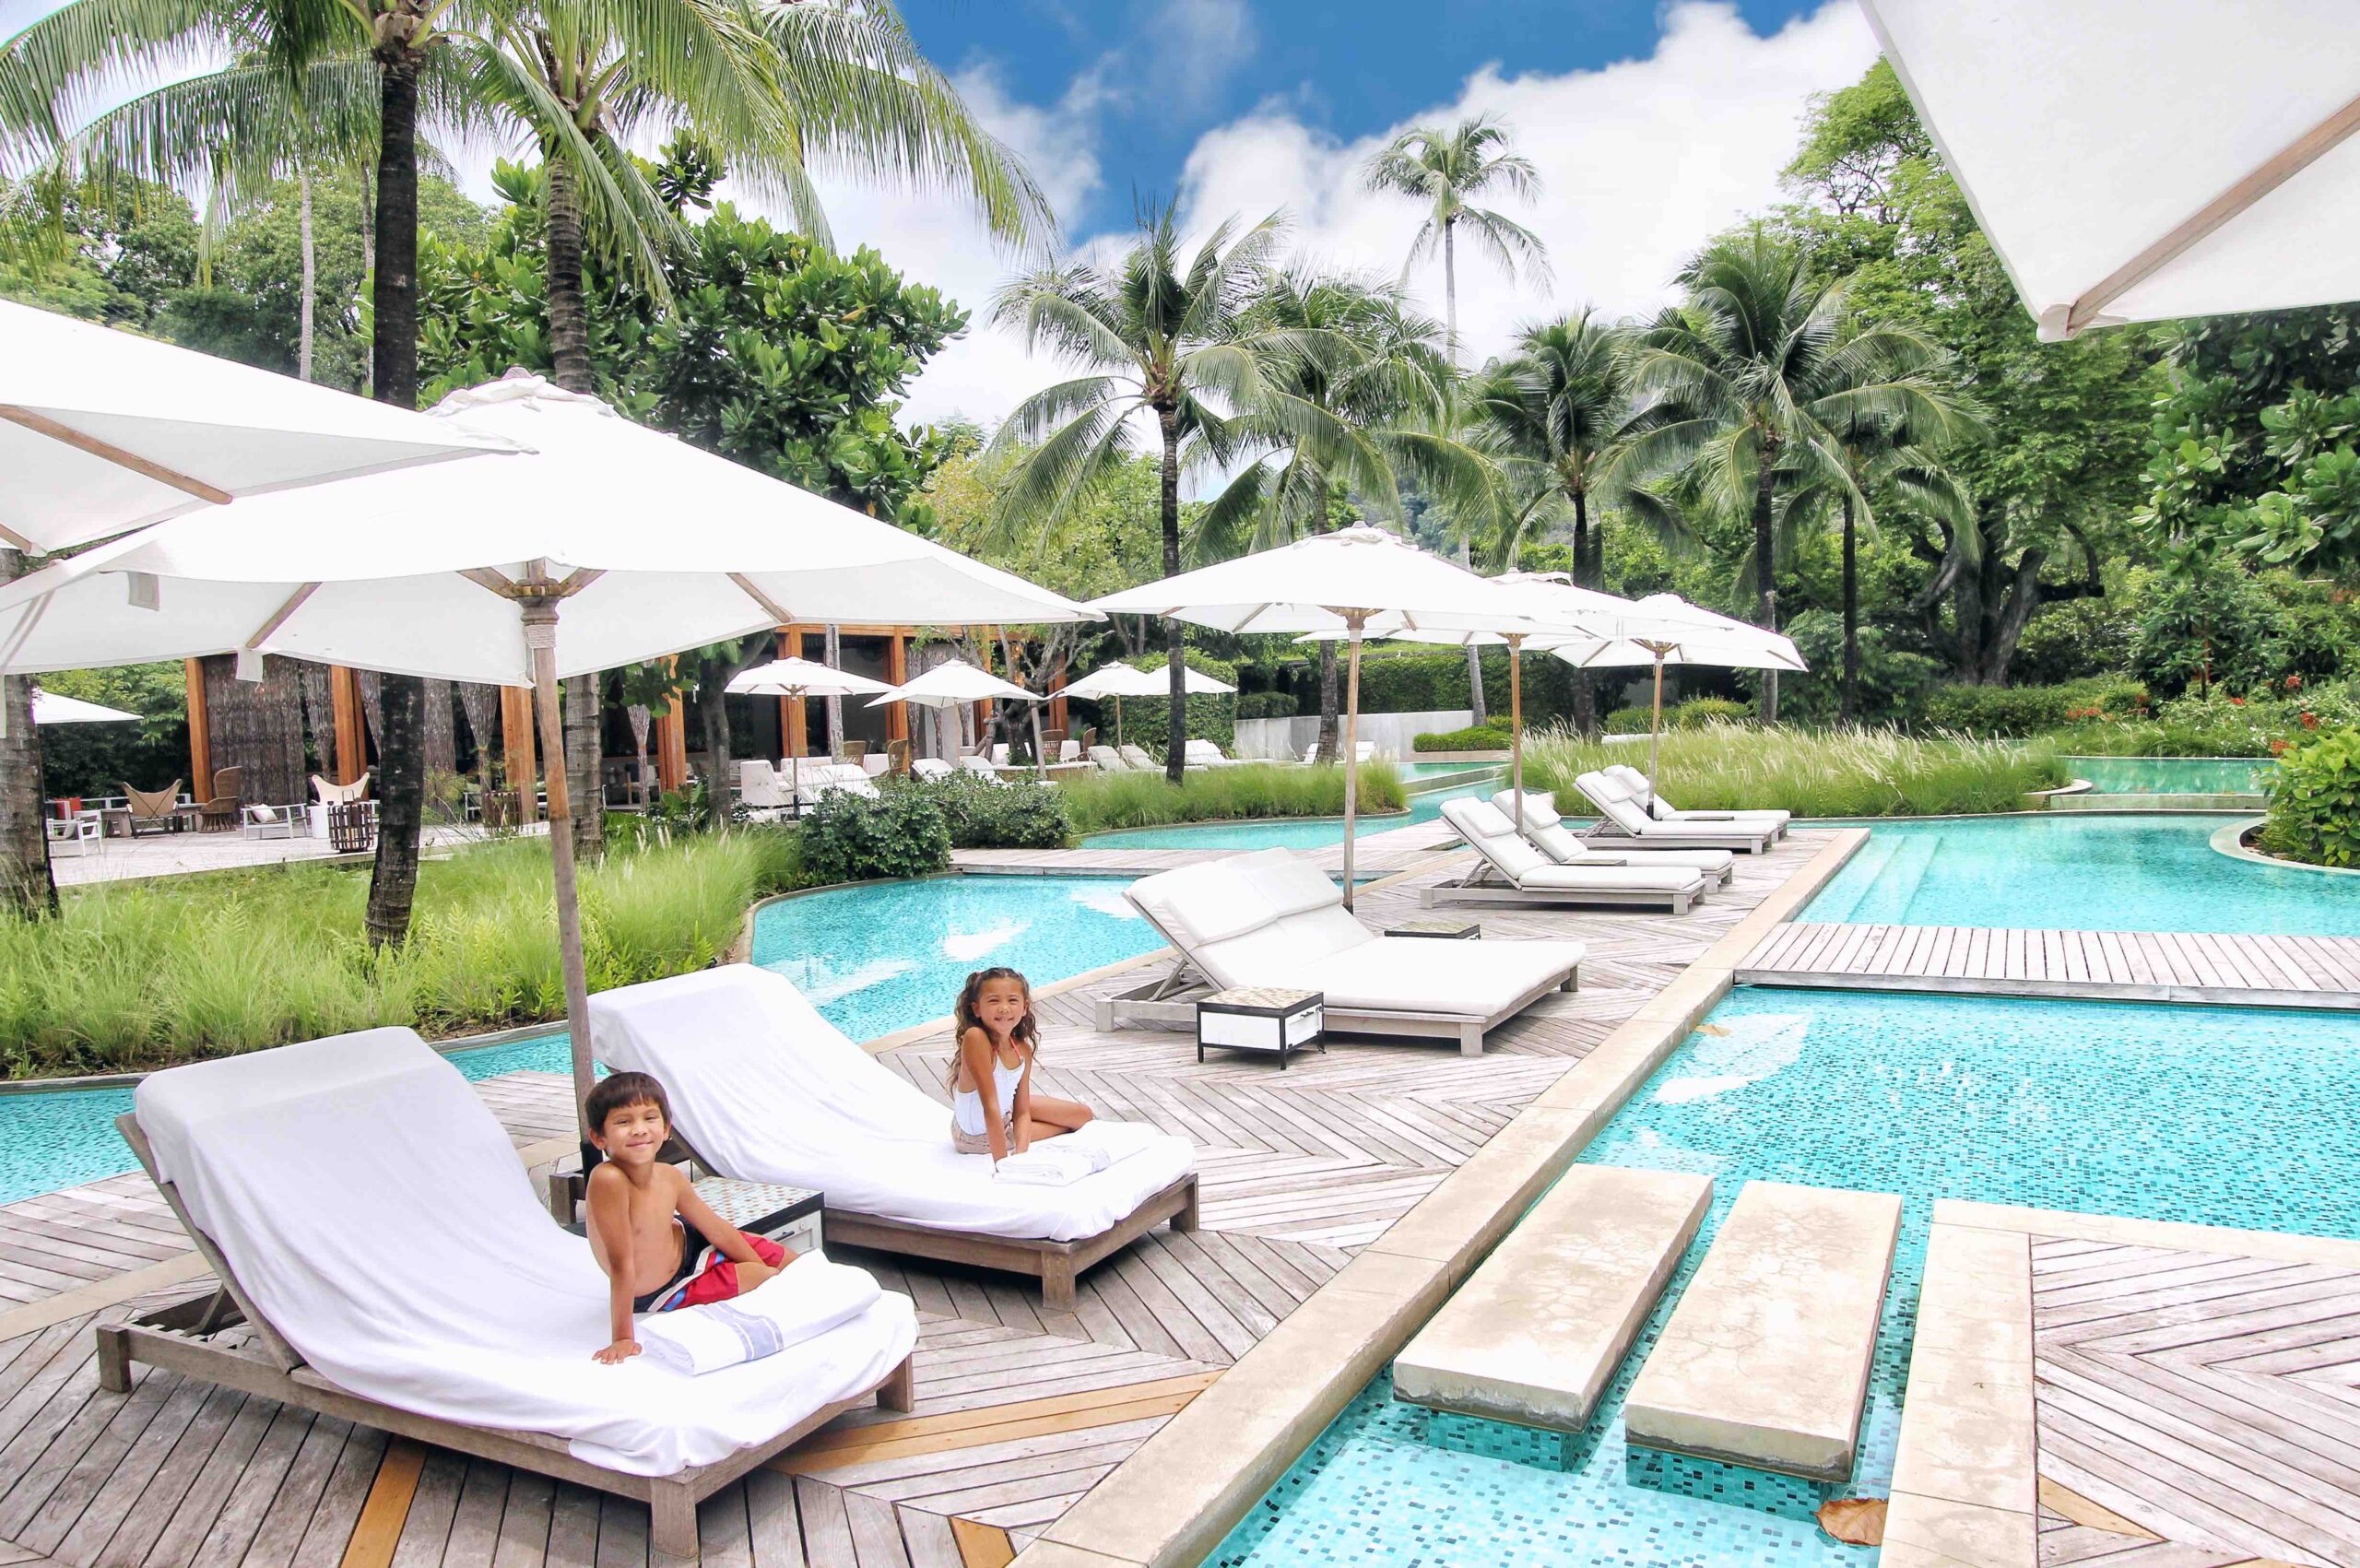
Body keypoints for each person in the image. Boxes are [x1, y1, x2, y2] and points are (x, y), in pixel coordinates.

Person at [582, 1071, 793, 1365]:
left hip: (694, 1245)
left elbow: (716, 1229)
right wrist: (623, 1338)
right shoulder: (609, 1180)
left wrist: (751, 1261)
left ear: (666, 1128)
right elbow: (621, 1263)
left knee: (792, 1264)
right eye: (623, 1121)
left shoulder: (669, 1176)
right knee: (767, 1279)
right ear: (598, 1137)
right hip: (667, 1287)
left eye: (649, 1118)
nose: (639, 1130)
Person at [951, 967, 1093, 1162]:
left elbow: (1023, 1110)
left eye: (1012, 1000)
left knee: (1082, 1115)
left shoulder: (1022, 1050)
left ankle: (1023, 1133)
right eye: (994, 1000)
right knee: (1066, 1126)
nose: (1004, 1008)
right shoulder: (976, 1038)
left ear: (1024, 1007)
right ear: (977, 1009)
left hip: (1005, 1116)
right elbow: (990, 1107)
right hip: (976, 1138)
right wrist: (1003, 1165)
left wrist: (1021, 1152)